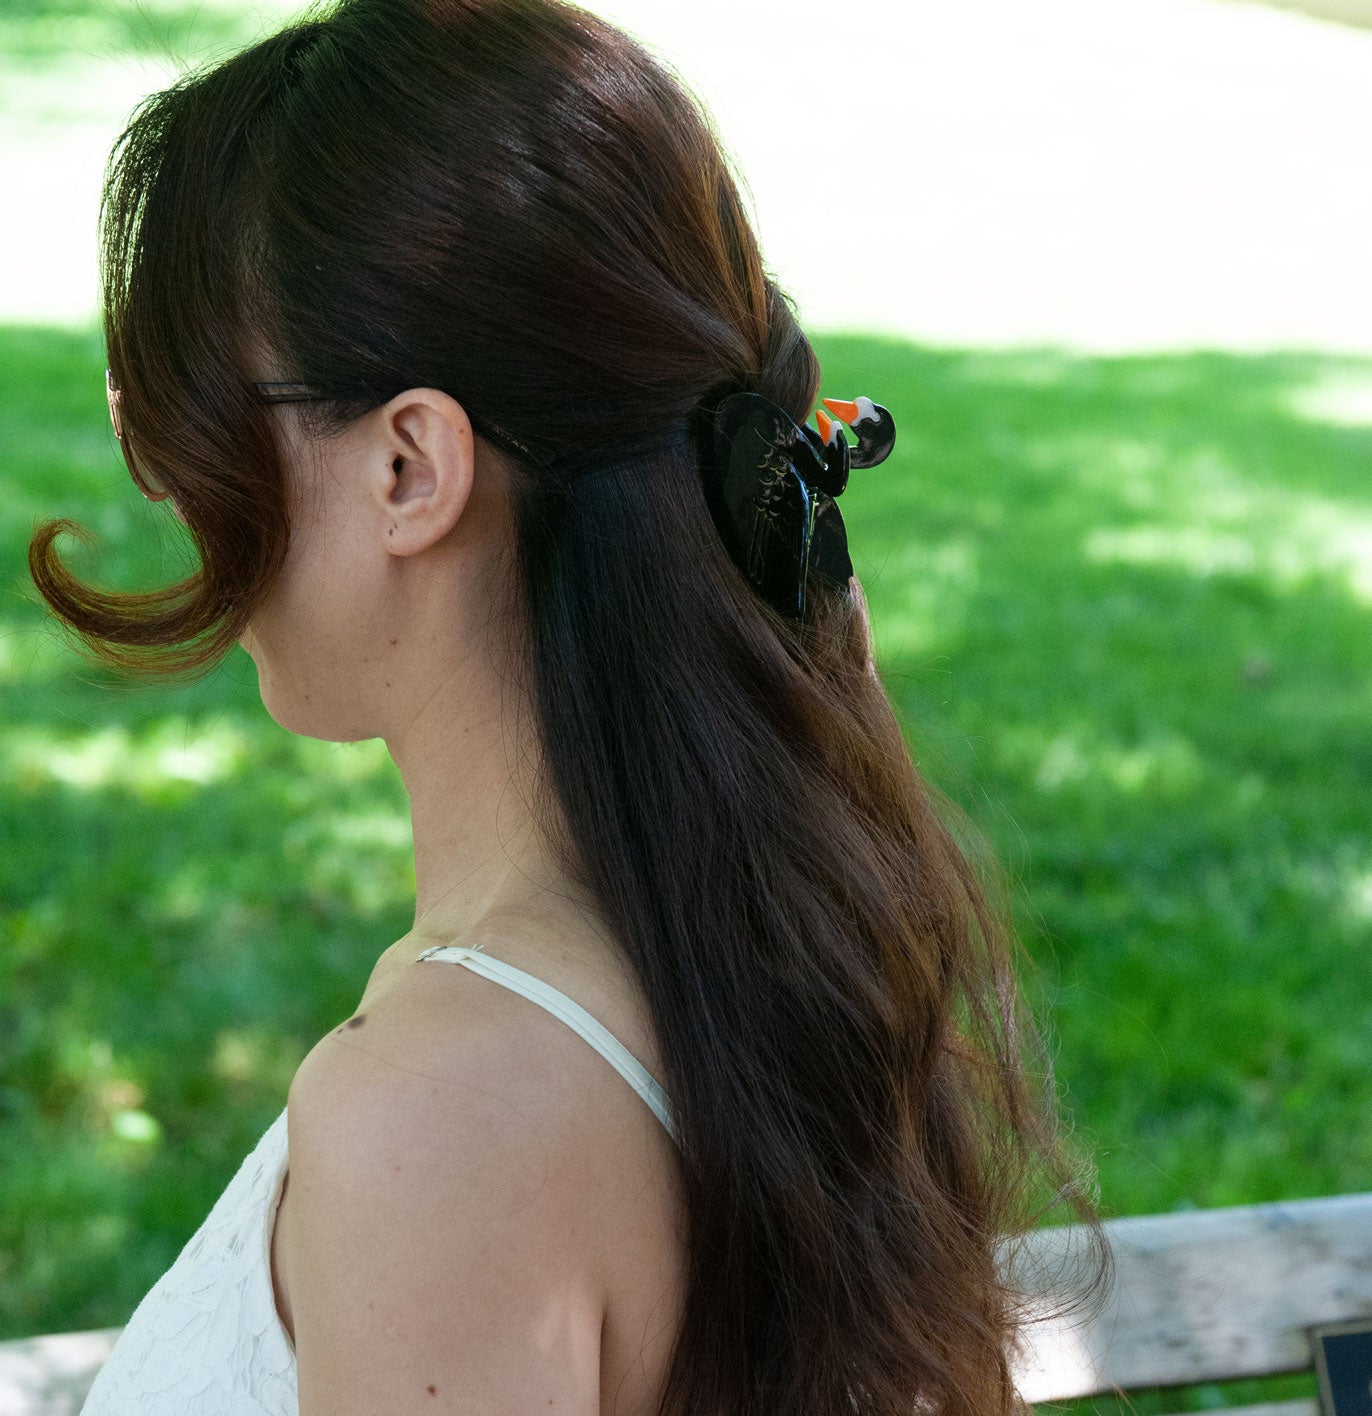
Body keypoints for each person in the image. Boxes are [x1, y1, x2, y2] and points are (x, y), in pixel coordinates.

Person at [28, 0, 1110, 1411]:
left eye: (180, 417)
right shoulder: (786, 927)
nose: (162, 479)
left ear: (410, 465)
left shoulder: (443, 1118)